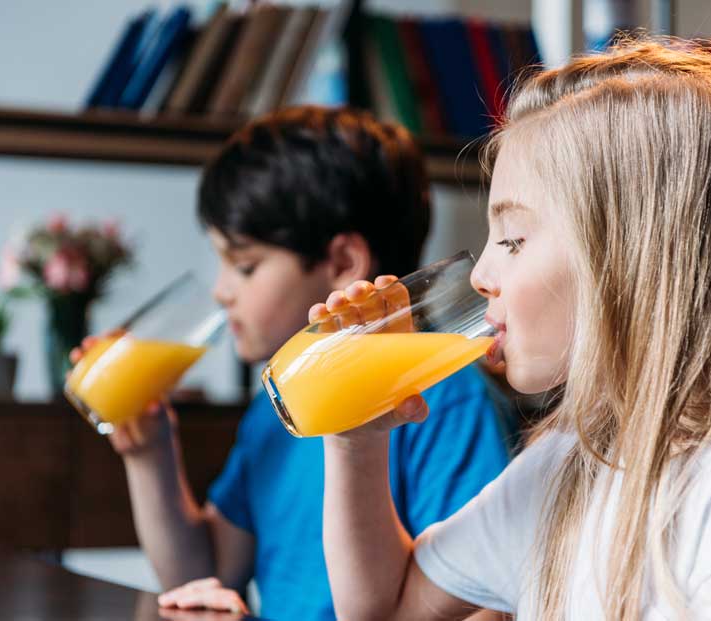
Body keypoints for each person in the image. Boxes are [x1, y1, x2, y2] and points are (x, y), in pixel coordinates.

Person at [314, 40, 711, 620]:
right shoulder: (571, 460)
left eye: (513, 241)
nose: (483, 275)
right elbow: (387, 608)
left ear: (631, 260)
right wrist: (356, 440)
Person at [73, 106, 510, 620]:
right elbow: (206, 575)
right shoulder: (273, 411)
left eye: (245, 266)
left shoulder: (441, 399)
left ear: (342, 265)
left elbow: (481, 604)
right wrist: (150, 455)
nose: (221, 291)